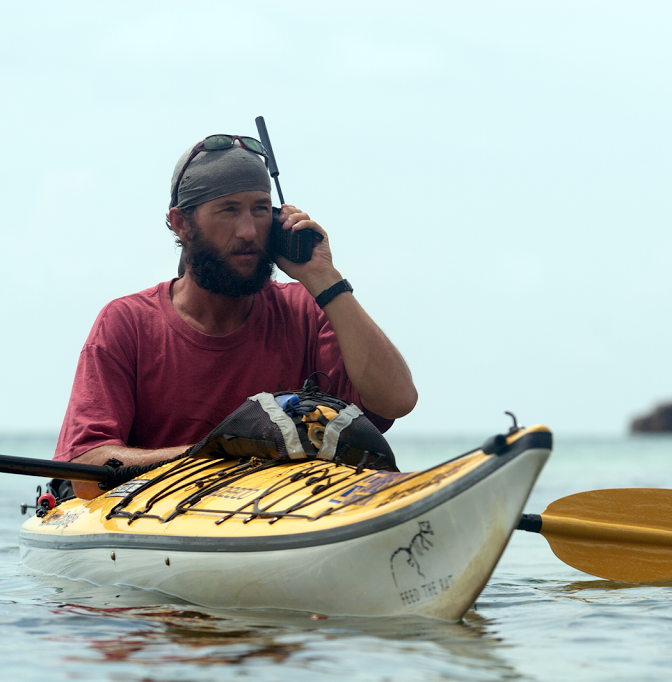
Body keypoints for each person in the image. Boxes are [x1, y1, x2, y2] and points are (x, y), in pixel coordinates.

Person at [53, 134, 418, 499]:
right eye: (229, 210)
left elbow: (397, 401)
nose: (248, 231)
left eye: (260, 209)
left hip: (287, 512)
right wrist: (224, 452)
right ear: (181, 223)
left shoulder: (306, 309)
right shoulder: (126, 323)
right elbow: (87, 471)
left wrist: (325, 280)